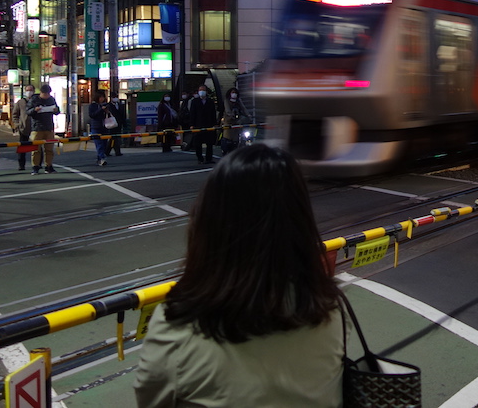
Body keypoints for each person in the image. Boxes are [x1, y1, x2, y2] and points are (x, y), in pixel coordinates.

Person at [133, 145, 344, 407]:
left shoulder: (178, 324)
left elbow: (149, 397)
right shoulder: (328, 310)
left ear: (208, 222)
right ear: (301, 222)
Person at [27, 83, 60, 175]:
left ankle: (48, 166)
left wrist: (56, 110)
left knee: (49, 149)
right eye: (45, 94)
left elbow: (57, 111)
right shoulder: (34, 99)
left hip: (49, 127)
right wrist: (35, 110)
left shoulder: (51, 99)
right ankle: (35, 167)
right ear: (41, 93)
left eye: (48, 94)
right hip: (37, 127)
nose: (47, 96)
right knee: (36, 149)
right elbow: (28, 111)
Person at [189, 85, 218, 165]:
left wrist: (214, 123)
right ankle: (200, 158)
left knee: (209, 143)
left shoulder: (210, 101)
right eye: (200, 90)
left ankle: (209, 158)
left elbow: (213, 113)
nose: (202, 91)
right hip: (198, 124)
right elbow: (192, 113)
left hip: (208, 124)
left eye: (203, 90)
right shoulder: (195, 101)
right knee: (198, 143)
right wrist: (192, 124)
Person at [220, 87, 251, 155]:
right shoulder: (227, 100)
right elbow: (227, 110)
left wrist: (248, 116)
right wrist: (231, 115)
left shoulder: (238, 101)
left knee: (235, 139)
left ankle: (234, 151)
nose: (234, 94)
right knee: (227, 138)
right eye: (232, 92)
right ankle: (225, 151)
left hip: (237, 123)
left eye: (235, 93)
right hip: (228, 122)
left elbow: (243, 109)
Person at [12, 84, 36, 171]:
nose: (29, 92)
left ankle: (37, 164)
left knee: (37, 147)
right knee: (22, 147)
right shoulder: (20, 102)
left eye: (30, 90)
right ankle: (21, 165)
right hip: (23, 128)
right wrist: (18, 124)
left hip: (35, 127)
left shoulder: (37, 101)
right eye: (27, 90)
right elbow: (15, 114)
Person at [88, 91, 113, 167]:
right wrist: (100, 109)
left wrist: (107, 111)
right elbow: (92, 115)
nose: (102, 99)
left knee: (104, 144)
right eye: (101, 97)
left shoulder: (105, 105)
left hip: (104, 126)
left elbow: (110, 113)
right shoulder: (92, 106)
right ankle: (102, 158)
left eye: (103, 97)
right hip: (96, 127)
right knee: (99, 144)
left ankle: (100, 159)